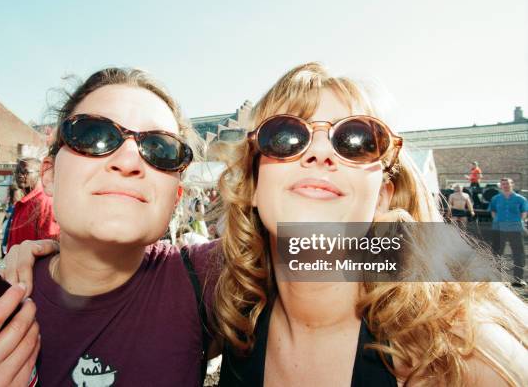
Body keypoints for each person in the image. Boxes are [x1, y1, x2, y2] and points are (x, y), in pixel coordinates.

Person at [212, 63, 527, 386]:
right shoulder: (235, 321)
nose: (320, 152)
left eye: (356, 140)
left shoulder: (457, 352)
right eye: (285, 135)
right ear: (251, 186)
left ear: (381, 197)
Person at [0, 67, 220, 386]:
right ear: (49, 174)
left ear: (176, 196)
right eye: (93, 135)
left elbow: (284, 256)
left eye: (162, 149)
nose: (129, 161)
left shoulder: (207, 280)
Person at [5, 158, 60, 251]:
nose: (20, 175)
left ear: (40, 173)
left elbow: (49, 243)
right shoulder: (24, 202)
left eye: (25, 172)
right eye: (17, 172)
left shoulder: (45, 201)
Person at [489, 177, 528, 288]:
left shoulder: (520, 199)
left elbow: (524, 212)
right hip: (499, 228)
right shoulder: (495, 198)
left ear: (512, 185)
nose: (505, 185)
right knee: (496, 254)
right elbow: (493, 211)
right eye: (503, 184)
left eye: (507, 184)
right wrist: (496, 221)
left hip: (515, 229)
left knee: (518, 254)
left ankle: (518, 279)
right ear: (500, 186)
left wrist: (520, 222)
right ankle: (497, 279)